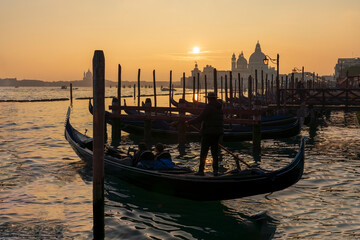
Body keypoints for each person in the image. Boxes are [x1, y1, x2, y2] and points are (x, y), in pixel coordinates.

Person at [186, 92, 224, 176]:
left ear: (209, 98)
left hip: (208, 133)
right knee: (215, 153)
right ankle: (215, 171)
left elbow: (200, 118)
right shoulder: (219, 108)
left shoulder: (209, 107)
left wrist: (189, 122)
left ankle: (201, 170)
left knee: (204, 152)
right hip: (217, 133)